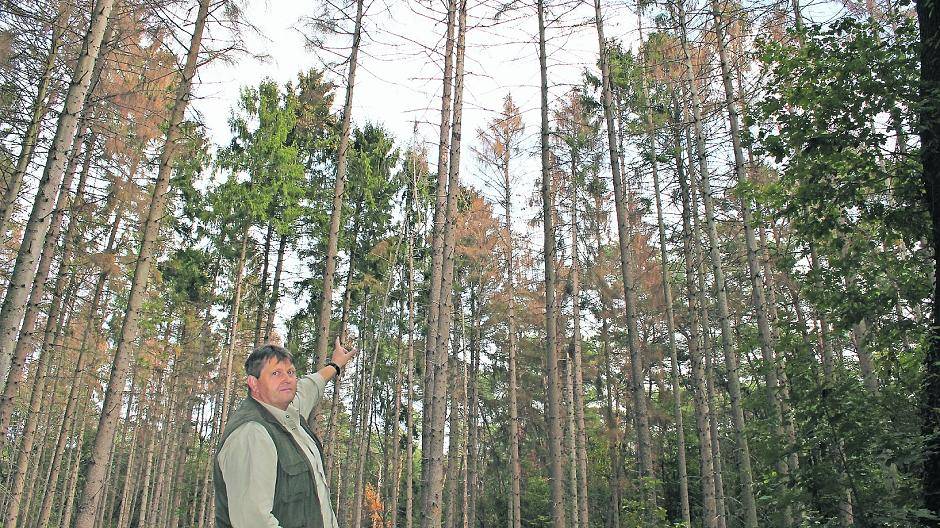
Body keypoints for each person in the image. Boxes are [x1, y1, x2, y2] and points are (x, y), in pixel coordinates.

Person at [214, 337, 356, 528]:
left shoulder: (288, 412)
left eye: (290, 372)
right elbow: (254, 521)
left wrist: (336, 364)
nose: (287, 379)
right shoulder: (252, 434)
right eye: (276, 373)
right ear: (253, 383)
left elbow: (312, 385)